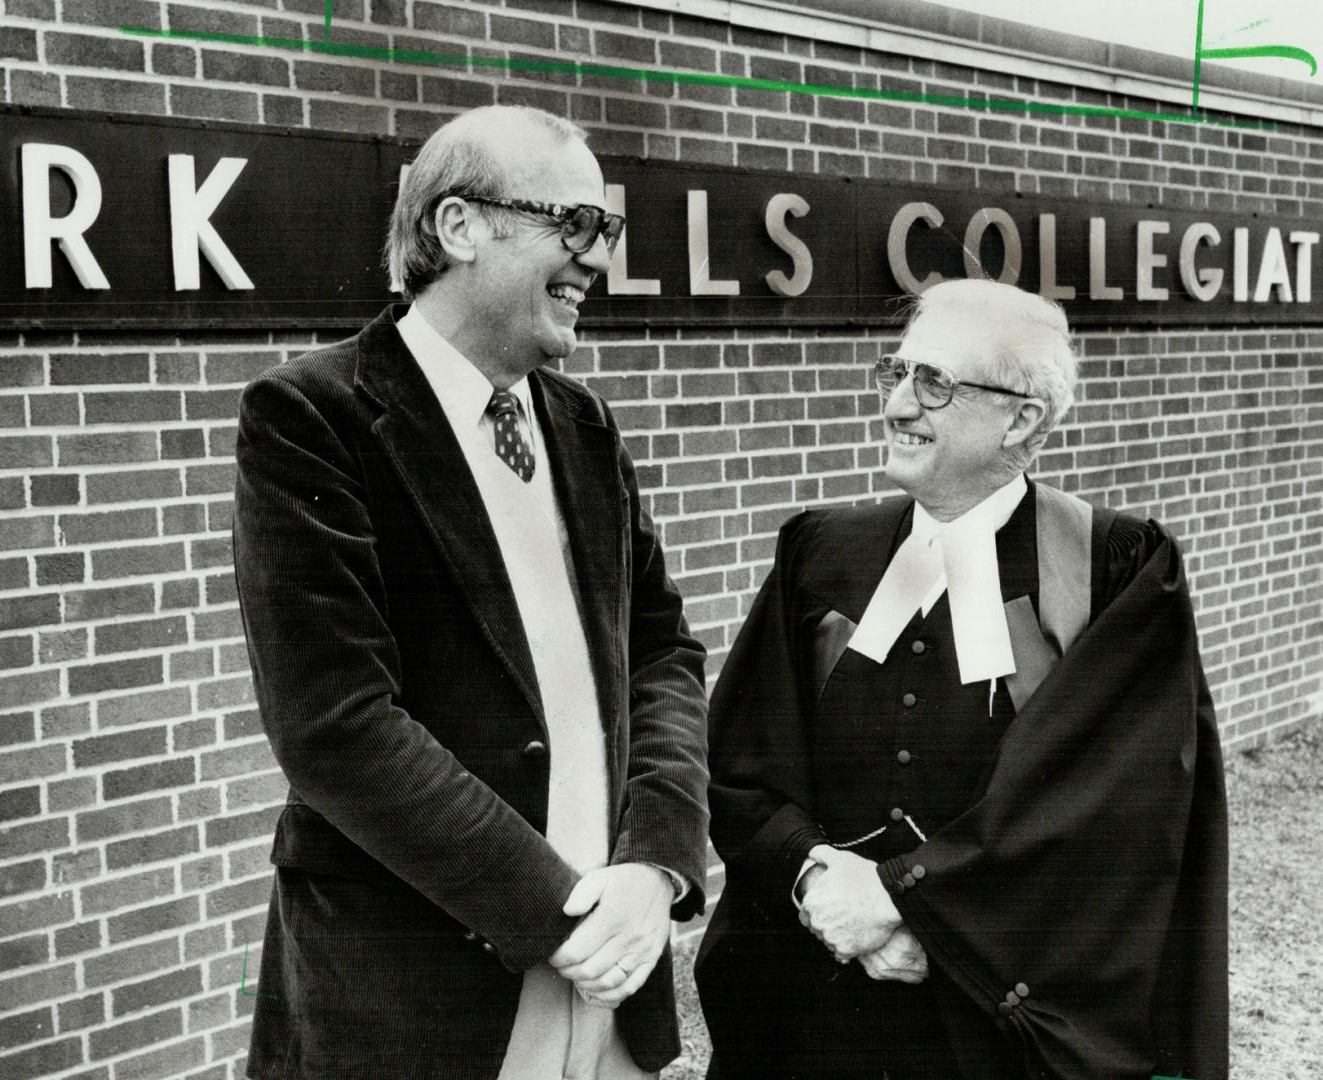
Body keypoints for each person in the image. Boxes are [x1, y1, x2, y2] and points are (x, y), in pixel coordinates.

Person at [233, 105, 710, 1080]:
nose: (596, 260)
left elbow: (663, 655)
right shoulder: (313, 416)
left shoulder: (583, 426)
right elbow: (336, 725)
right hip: (424, 1003)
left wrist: (655, 867)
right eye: (574, 225)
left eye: (606, 233)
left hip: (613, 991)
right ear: (459, 227)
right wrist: (564, 914)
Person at [694, 278, 1228, 1079]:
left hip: (1001, 1020)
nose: (898, 406)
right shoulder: (821, 554)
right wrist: (813, 881)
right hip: (818, 1008)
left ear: (1023, 418)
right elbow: (743, 760)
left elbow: (1111, 805)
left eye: (935, 383)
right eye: (897, 374)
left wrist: (908, 902)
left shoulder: (1114, 568)